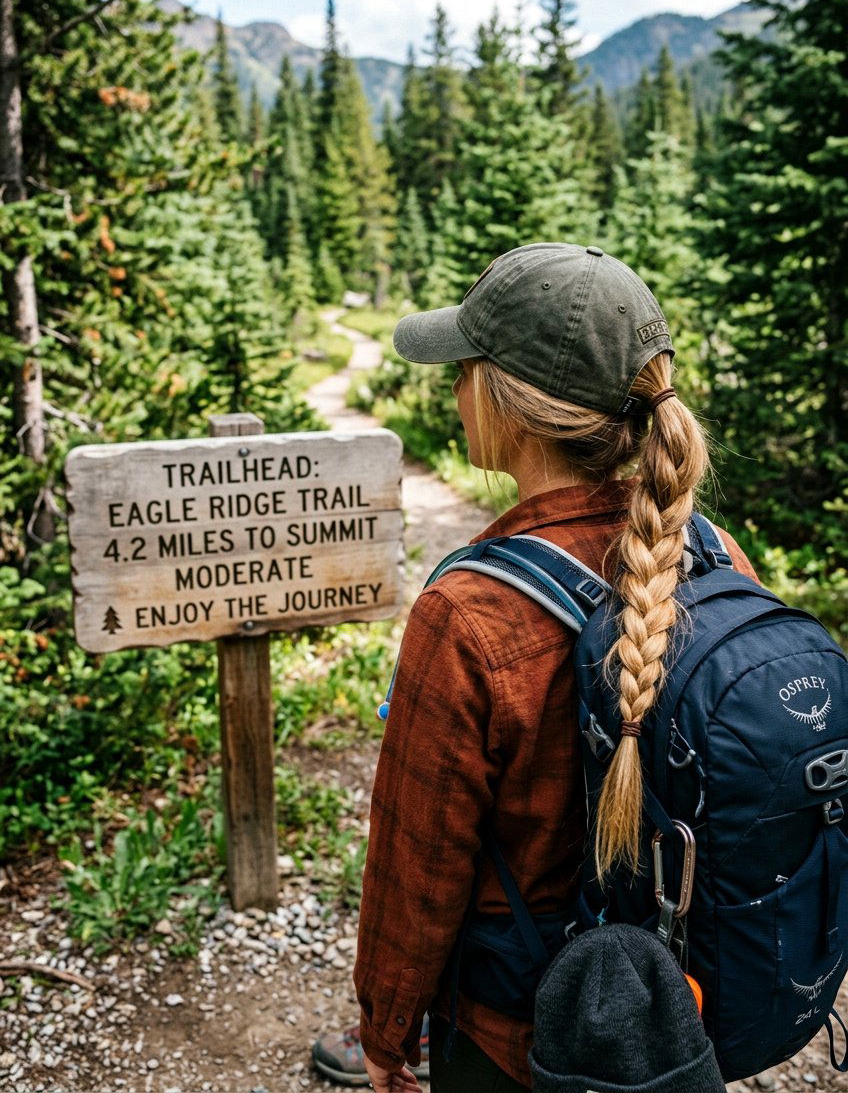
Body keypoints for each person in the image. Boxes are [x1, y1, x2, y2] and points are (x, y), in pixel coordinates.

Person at [313, 242, 757, 1092]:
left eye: (467, 366)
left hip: (517, 1033)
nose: (454, 387)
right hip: (674, 1016)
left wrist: (385, 1032)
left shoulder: (468, 613)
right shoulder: (712, 551)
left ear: (511, 403)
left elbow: (418, 864)